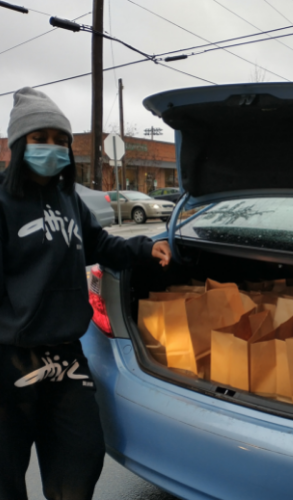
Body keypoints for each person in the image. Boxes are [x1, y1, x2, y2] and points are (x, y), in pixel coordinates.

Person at [0, 87, 172, 500]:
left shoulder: (69, 199)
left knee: (80, 462)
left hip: (65, 358)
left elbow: (101, 245)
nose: (52, 149)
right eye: (40, 139)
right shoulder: (3, 201)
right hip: (9, 359)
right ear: (19, 143)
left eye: (61, 141)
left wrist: (146, 249)